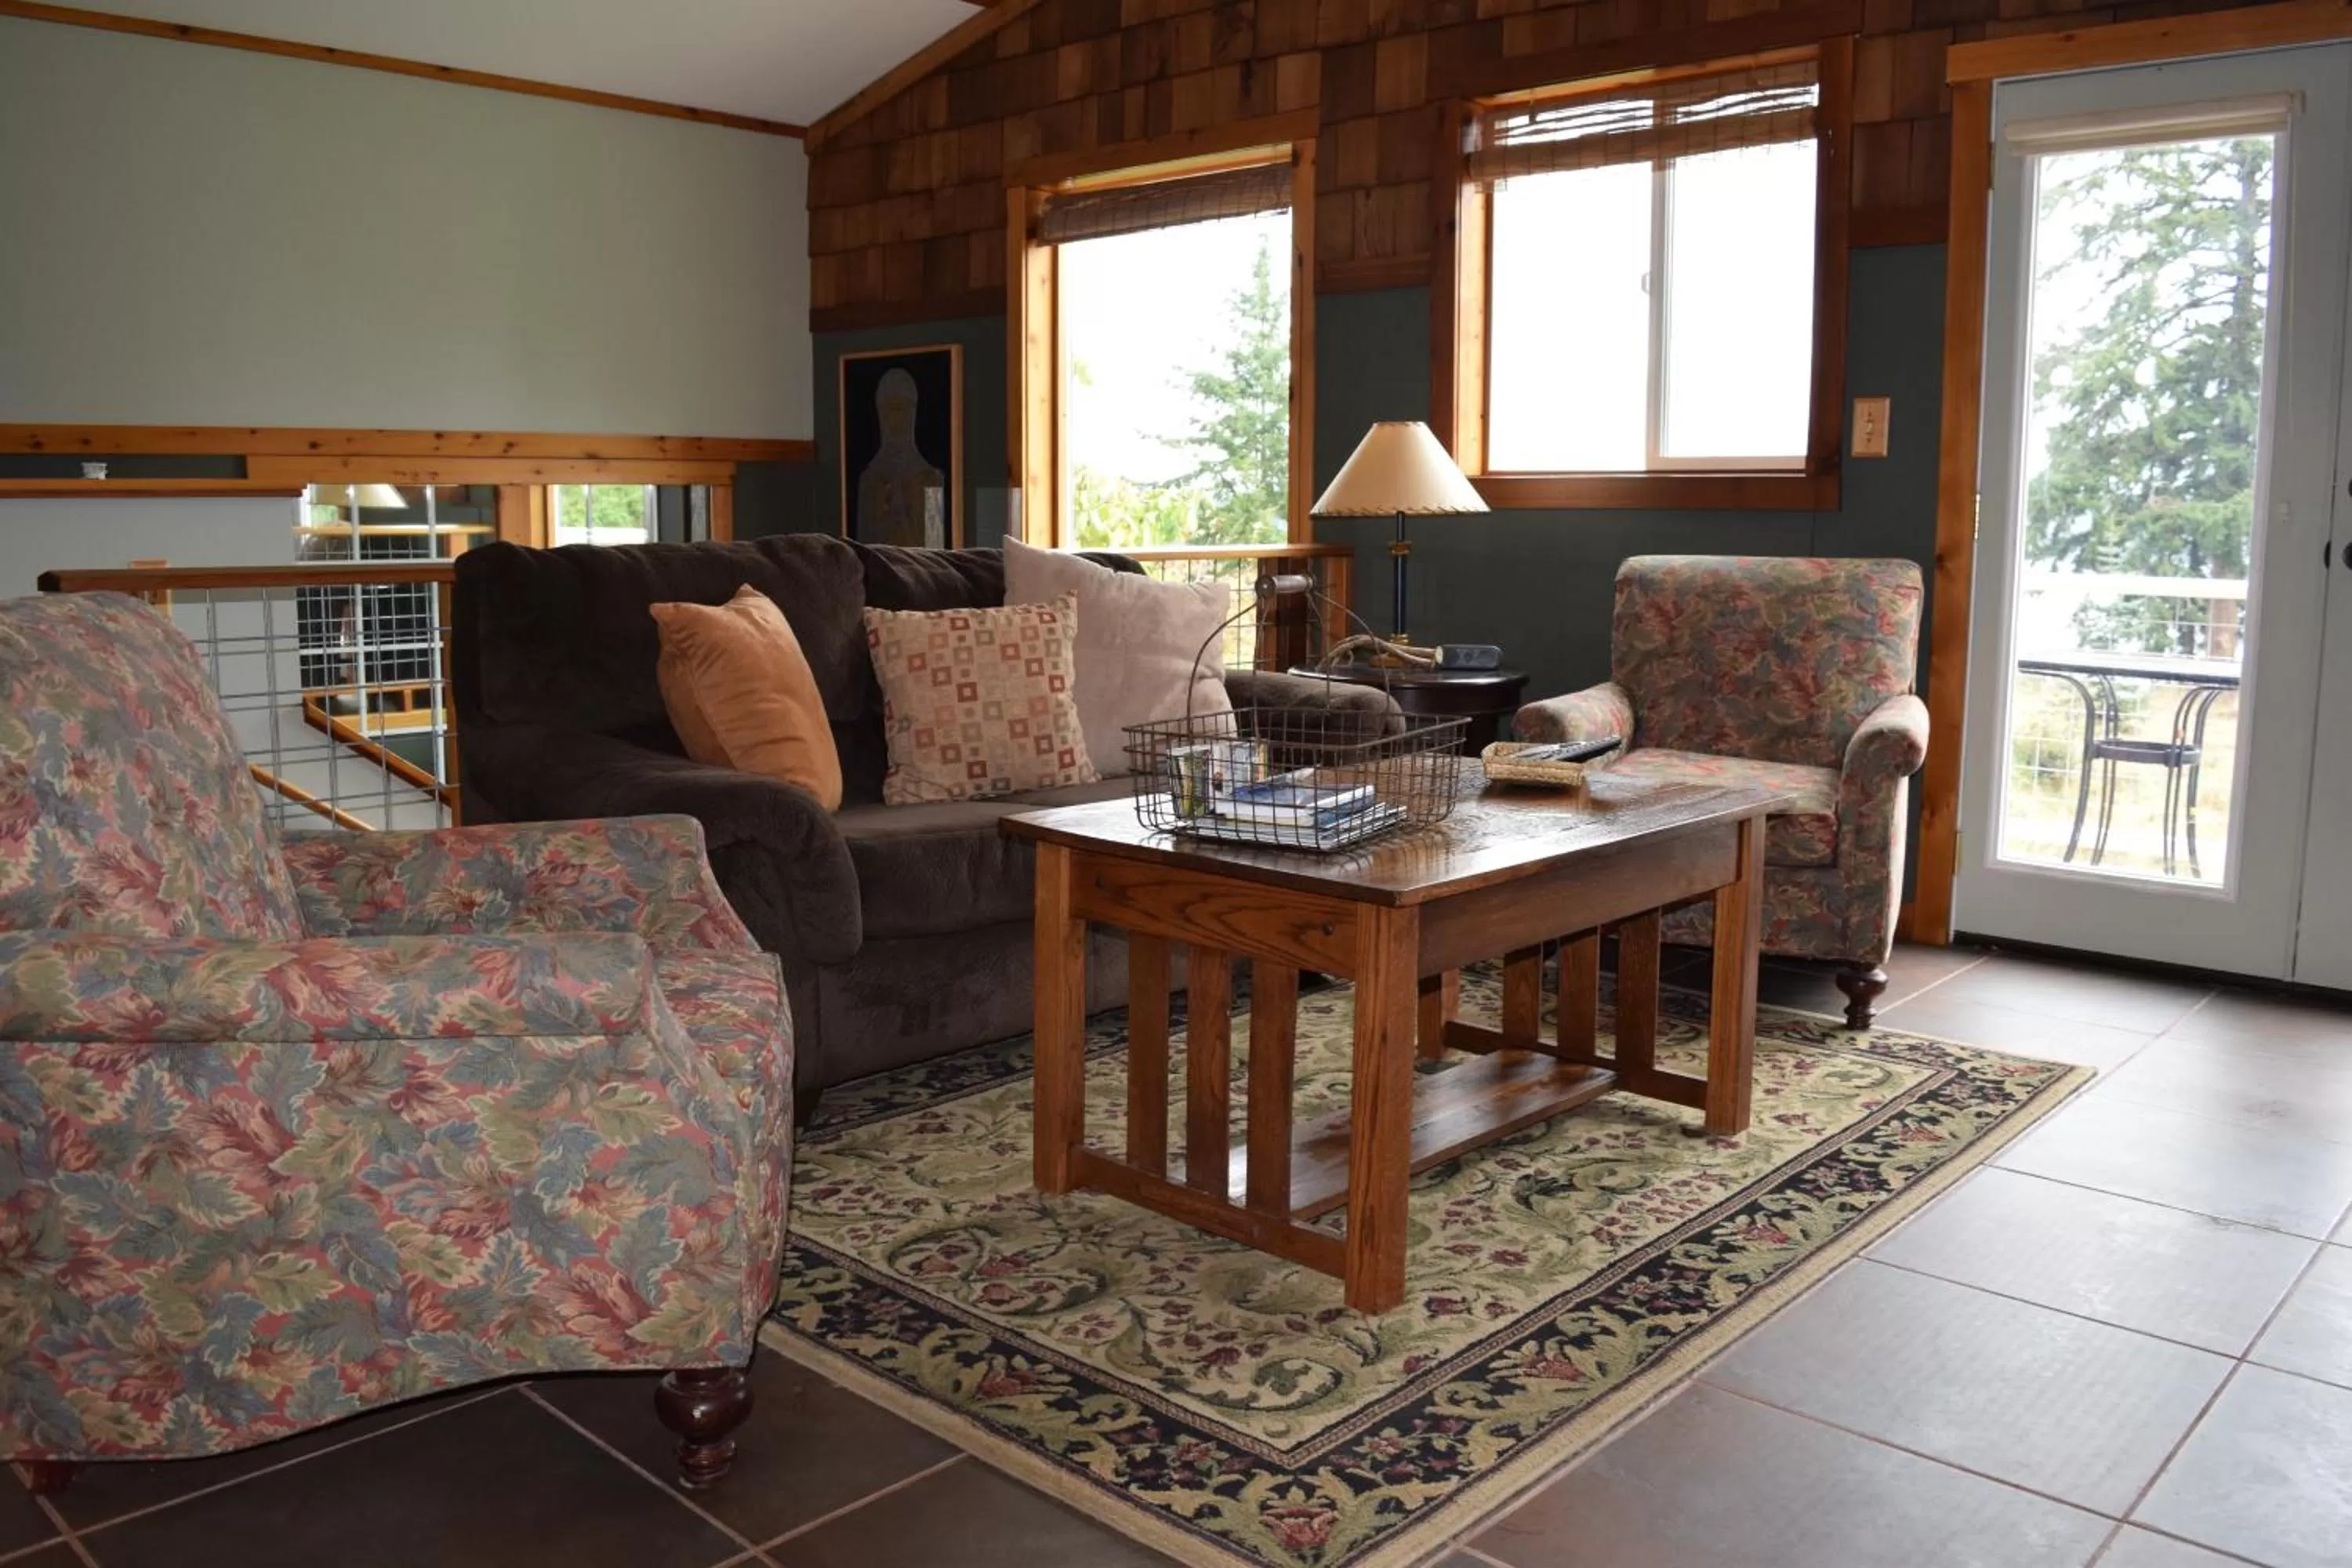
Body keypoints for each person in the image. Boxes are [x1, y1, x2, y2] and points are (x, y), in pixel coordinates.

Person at [855, 367, 946, 547]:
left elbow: (936, 549)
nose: (895, 418)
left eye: (901, 409)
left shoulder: (930, 479)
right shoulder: (870, 481)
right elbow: (864, 547)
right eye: (890, 409)